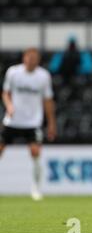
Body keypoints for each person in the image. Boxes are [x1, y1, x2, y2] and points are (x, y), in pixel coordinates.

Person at [0, 48, 57, 200]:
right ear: (24, 58)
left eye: (35, 58)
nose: (32, 60)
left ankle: (36, 188)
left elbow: (48, 100)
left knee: (35, 152)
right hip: (12, 120)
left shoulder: (43, 76)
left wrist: (51, 123)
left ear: (38, 60)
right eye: (29, 57)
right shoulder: (13, 72)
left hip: (33, 122)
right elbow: (5, 93)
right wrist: (9, 106)